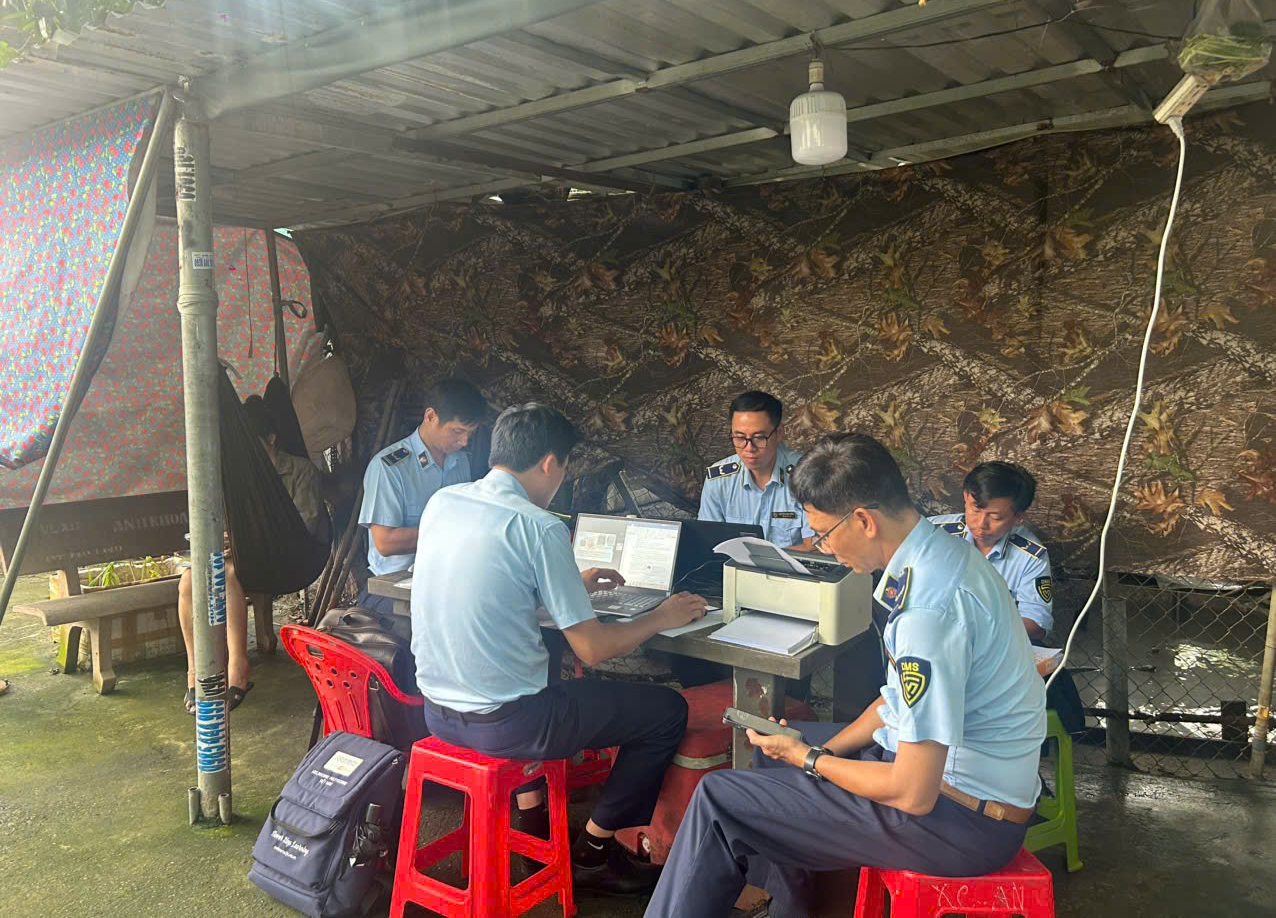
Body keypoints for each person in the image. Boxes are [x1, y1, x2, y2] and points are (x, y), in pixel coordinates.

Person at [645, 434, 1046, 918]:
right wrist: (820, 752)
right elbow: (894, 700)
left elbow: (912, 792)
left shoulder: (929, 610)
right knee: (773, 753)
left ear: (863, 520)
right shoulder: (942, 555)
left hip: (962, 820)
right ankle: (792, 909)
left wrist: (811, 760)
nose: (825, 548)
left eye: (824, 534)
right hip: (956, 787)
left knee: (719, 801)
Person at [410, 403, 709, 896]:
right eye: (564, 469)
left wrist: (569, 584)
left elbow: (489, 590)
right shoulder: (539, 525)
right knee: (665, 711)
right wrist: (662, 615)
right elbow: (593, 649)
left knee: (543, 668)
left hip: (438, 712)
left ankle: (533, 828)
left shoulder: (444, 502)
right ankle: (593, 851)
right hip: (511, 724)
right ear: (550, 463)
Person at [178, 396, 325, 714]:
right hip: (245, 555)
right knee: (188, 579)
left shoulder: (300, 471)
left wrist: (256, 537)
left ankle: (238, 667)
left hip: (290, 557)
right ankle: (194, 673)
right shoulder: (238, 479)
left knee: (229, 574)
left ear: (271, 438)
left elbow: (307, 524)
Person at [357, 378, 487, 616]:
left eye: (471, 434)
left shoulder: (460, 462)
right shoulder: (390, 467)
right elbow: (385, 542)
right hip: (393, 590)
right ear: (430, 416)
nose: (464, 442)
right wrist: (448, 534)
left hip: (447, 584)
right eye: (457, 431)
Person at [929, 461, 1052, 641]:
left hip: (990, 644)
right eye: (975, 510)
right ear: (965, 497)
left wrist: (973, 633)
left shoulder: (1030, 556)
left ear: (1018, 517)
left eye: (995, 517)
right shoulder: (933, 533)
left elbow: (1036, 623)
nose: (981, 524)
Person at [699, 391, 812, 548]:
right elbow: (709, 541)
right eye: (740, 437)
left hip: (792, 565)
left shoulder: (806, 474)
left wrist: (760, 559)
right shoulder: (719, 479)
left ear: (779, 433)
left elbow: (815, 547)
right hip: (732, 564)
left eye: (759, 437)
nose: (749, 448)